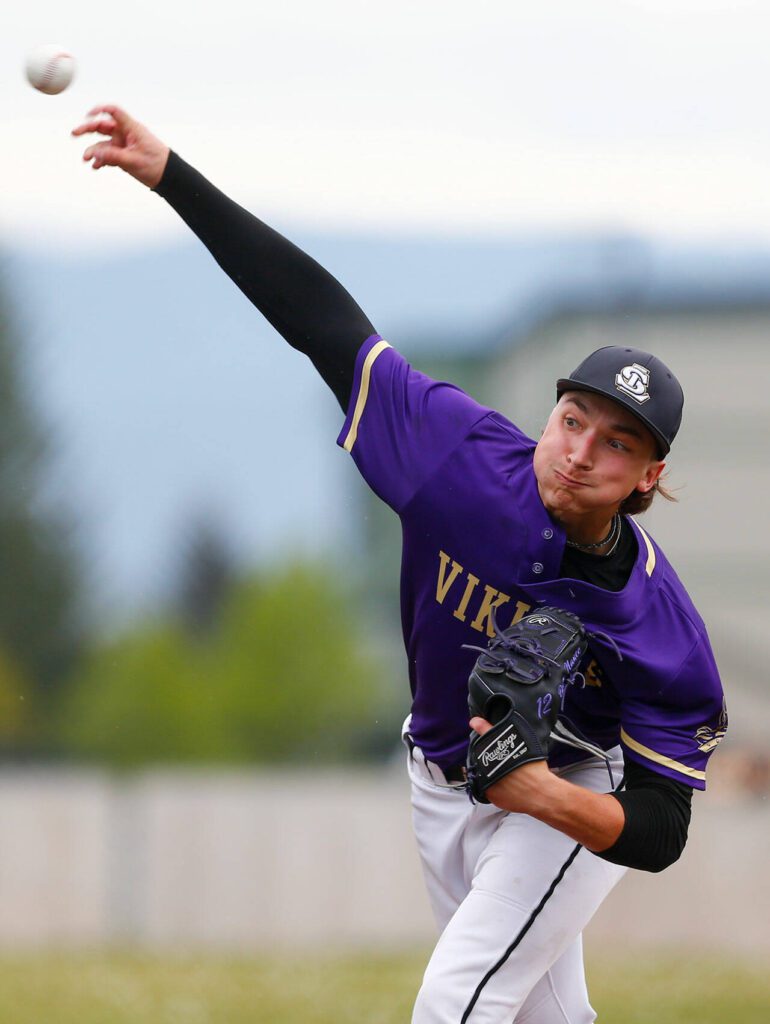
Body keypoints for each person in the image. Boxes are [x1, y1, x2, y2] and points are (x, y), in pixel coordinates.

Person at [72, 106, 727, 1023]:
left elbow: (661, 832)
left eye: (616, 444)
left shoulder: (660, 628)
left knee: (458, 1000)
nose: (581, 451)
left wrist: (537, 790)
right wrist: (173, 176)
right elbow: (322, 324)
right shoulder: (455, 458)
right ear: (549, 416)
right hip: (438, 776)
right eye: (572, 418)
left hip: (571, 784)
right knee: (539, 1014)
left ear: (649, 476)